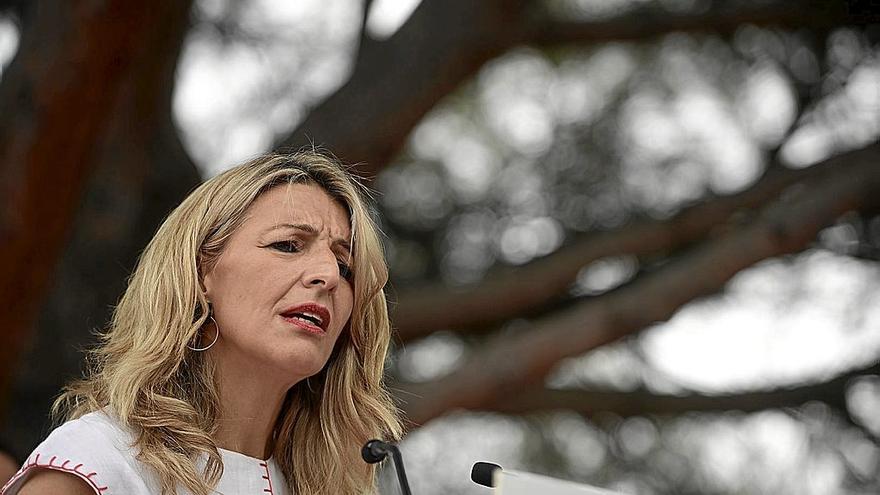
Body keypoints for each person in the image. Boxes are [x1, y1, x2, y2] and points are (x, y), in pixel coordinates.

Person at [2, 151, 403, 495]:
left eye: (345, 266)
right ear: (201, 271)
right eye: (288, 245)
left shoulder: (337, 483)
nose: (328, 275)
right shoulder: (102, 460)